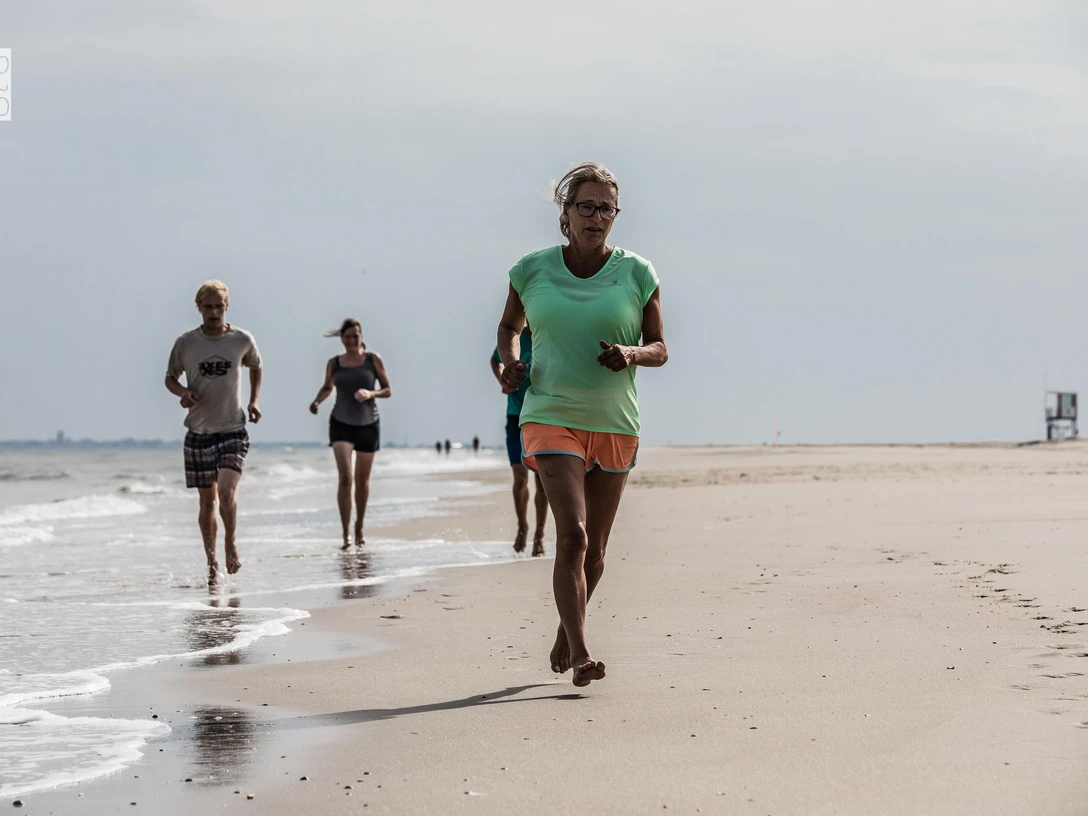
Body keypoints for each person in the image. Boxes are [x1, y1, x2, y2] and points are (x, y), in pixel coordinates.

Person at [496, 162, 667, 687]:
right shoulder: (532, 269)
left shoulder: (638, 273)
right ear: (565, 213)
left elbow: (661, 349)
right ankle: (583, 652)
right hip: (549, 413)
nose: (597, 217)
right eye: (586, 206)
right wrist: (508, 365)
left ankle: (566, 630)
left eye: (606, 208)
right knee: (571, 535)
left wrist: (631, 353)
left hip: (614, 421)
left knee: (595, 552)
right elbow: (508, 328)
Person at [165, 280, 263, 585]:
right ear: (199, 307)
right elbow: (169, 377)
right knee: (207, 503)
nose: (214, 312)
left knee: (226, 493)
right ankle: (211, 562)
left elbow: (256, 366)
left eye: (219, 306)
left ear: (227, 306)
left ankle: (230, 543)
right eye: (208, 306)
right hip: (198, 432)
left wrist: (254, 401)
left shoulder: (241, 340)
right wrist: (182, 392)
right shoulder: (186, 343)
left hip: (233, 429)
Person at [309, 318, 392, 549]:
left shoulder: (373, 360)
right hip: (341, 423)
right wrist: (316, 401)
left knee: (362, 481)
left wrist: (370, 394)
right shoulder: (334, 363)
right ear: (342, 339)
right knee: (346, 479)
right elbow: (328, 387)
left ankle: (359, 526)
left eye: (356, 336)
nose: (352, 341)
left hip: (368, 423)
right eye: (348, 337)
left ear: (362, 337)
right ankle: (345, 532)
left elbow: (388, 390)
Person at [490, 327, 549, 556]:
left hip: (543, 417)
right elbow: (495, 360)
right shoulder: (515, 339)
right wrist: (502, 381)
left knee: (543, 481)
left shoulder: (549, 333)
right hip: (516, 415)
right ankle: (523, 526)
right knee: (520, 478)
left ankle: (539, 535)